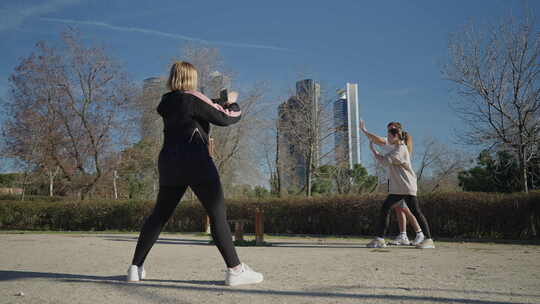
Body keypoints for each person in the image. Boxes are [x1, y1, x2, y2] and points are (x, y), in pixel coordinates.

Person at [127, 61, 263, 286]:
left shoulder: (167, 102)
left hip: (170, 163)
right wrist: (233, 102)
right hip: (196, 161)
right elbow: (226, 118)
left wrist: (218, 101)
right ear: (192, 78)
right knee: (217, 215)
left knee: (158, 216)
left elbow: (201, 107)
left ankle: (135, 267)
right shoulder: (192, 98)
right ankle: (236, 270)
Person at [360, 120, 435, 249]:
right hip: (398, 187)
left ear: (396, 135)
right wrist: (367, 135)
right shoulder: (396, 147)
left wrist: (373, 150)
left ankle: (428, 239)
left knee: (415, 211)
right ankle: (380, 239)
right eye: (388, 132)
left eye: (391, 133)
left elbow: (384, 161)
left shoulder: (400, 149)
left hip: (406, 186)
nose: (388, 135)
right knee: (386, 208)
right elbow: (383, 154)